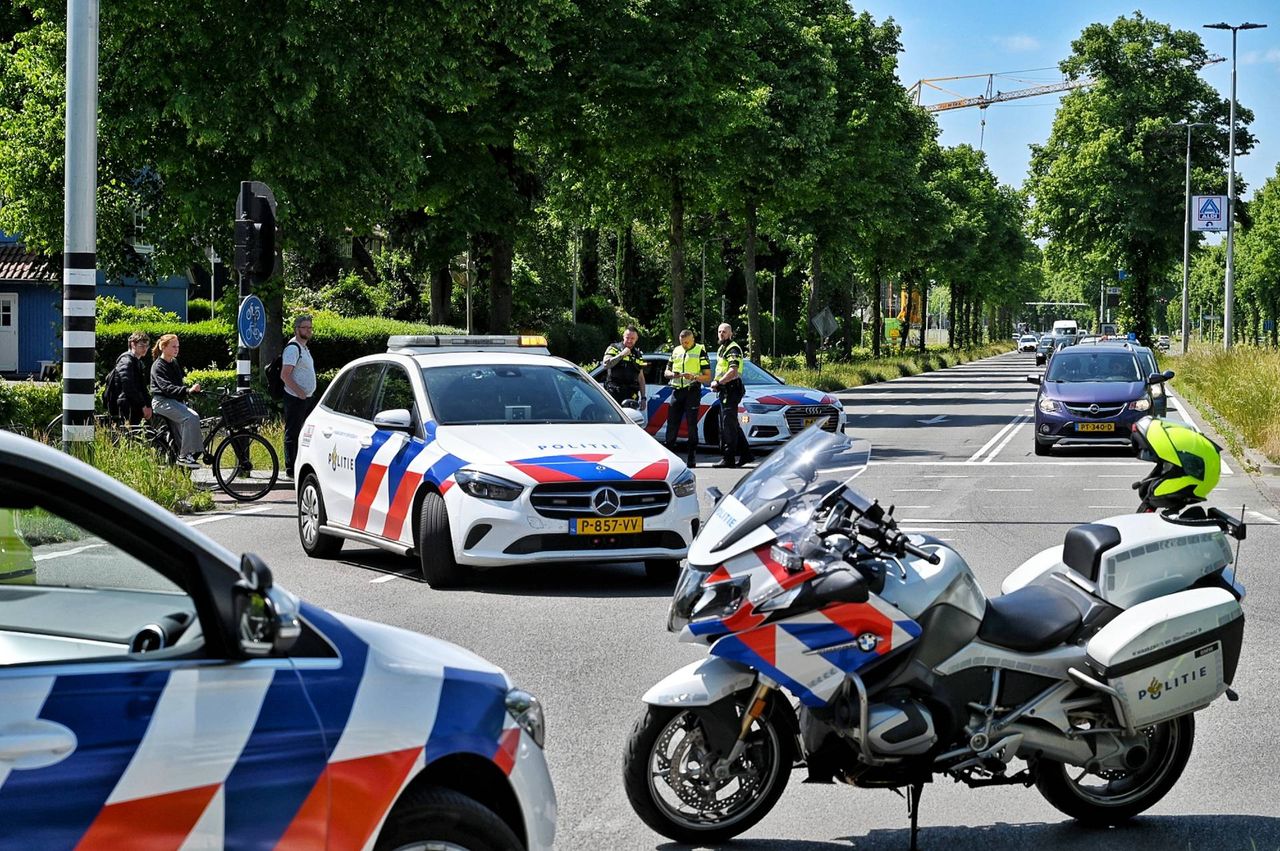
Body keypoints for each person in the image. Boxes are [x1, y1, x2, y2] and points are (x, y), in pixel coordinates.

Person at [150, 334, 203, 468]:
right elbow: (167, 388)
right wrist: (186, 391)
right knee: (191, 417)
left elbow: (178, 385)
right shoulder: (158, 366)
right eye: (173, 346)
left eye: (178, 346)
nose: (176, 349)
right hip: (161, 402)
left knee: (183, 432)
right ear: (163, 347)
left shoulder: (173, 363)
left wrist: (190, 393)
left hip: (172, 401)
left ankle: (185, 456)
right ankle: (184, 456)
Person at [663, 329, 710, 468]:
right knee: (672, 424)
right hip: (677, 391)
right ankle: (670, 456)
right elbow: (666, 371)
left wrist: (694, 377)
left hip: (692, 391)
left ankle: (691, 457)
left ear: (693, 339)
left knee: (691, 425)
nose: (684, 345)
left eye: (687, 342)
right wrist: (672, 374)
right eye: (682, 342)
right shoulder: (676, 350)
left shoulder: (700, 351)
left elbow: (708, 376)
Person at [711, 323, 754, 468]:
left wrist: (718, 382)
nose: (721, 334)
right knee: (732, 423)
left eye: (724, 332)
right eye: (719, 331)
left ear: (730, 334)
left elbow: (733, 371)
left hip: (731, 389)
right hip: (725, 389)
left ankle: (728, 458)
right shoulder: (722, 348)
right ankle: (746, 454)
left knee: (728, 425)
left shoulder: (733, 348)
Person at [281, 314, 317, 480]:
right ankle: (290, 469)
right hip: (296, 398)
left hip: (305, 398)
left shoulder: (304, 347)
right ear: (297, 329)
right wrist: (300, 392)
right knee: (293, 432)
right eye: (305, 327)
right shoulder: (293, 348)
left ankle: (299, 464)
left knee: (306, 433)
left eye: (310, 327)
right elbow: (285, 375)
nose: (308, 330)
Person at [113, 331, 152, 426]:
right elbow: (128, 386)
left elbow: (142, 387)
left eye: (147, 346)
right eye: (142, 346)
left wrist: (148, 405)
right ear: (133, 344)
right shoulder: (126, 361)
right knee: (131, 434)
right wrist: (143, 405)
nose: (145, 349)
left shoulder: (137, 362)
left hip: (134, 405)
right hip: (127, 405)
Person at [600, 326, 646, 406]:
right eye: (627, 337)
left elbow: (641, 377)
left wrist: (643, 398)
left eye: (632, 338)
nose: (629, 340)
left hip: (631, 394)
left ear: (636, 339)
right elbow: (605, 365)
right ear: (623, 337)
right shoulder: (614, 348)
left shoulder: (638, 354)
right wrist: (621, 355)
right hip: (615, 393)